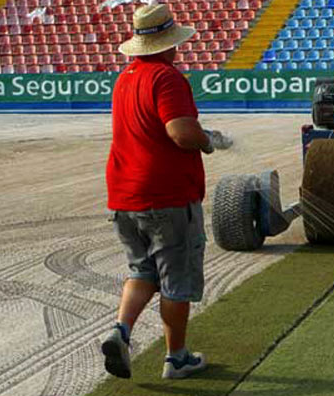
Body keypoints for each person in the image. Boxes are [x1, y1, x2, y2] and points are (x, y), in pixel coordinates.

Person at [101, 1, 213, 380]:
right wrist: (207, 140)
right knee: (176, 279)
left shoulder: (126, 78)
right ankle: (176, 357)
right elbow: (180, 132)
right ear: (169, 43)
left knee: (141, 269)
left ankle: (121, 330)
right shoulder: (166, 78)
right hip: (165, 196)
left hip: (124, 194)